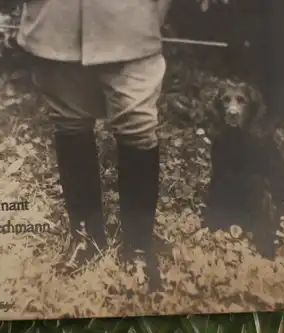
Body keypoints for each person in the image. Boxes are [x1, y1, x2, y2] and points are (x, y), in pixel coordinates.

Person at [17, 0, 173, 290]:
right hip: (56, 22)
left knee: (137, 126)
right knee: (69, 121)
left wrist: (150, 14)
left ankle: (138, 247)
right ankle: (85, 237)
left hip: (129, 20)